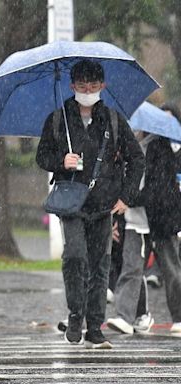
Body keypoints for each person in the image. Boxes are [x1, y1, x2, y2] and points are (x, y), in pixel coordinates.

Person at [36, 59, 144, 349]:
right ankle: (75, 315)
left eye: (93, 86)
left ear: (103, 86)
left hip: (104, 205)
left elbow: (136, 159)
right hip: (71, 203)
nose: (88, 90)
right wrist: (62, 161)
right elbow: (41, 156)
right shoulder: (57, 119)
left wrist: (126, 197)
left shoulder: (113, 120)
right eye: (82, 86)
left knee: (100, 265)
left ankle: (95, 326)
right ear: (72, 86)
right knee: (75, 257)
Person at [107, 130, 155, 334]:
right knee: (129, 266)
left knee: (133, 266)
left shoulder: (153, 150)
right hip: (126, 219)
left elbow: (152, 190)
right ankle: (139, 314)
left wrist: (130, 199)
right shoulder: (122, 151)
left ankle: (128, 315)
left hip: (143, 222)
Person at [140, 130, 181, 334]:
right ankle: (135, 315)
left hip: (162, 219)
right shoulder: (143, 146)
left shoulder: (162, 149)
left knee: (171, 268)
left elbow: (158, 188)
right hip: (142, 219)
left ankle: (178, 316)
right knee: (132, 269)